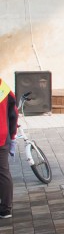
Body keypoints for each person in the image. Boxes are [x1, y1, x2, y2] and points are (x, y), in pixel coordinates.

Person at [0, 77, 18, 219]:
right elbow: (13, 112)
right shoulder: (2, 86)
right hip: (2, 135)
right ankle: (6, 209)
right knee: (3, 172)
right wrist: (12, 135)